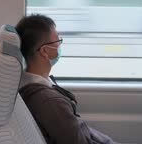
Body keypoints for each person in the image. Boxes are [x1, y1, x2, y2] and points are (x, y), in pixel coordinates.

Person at [16, 14, 116, 144]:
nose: (59, 44)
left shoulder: (35, 85)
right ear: (45, 51)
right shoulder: (48, 101)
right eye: (57, 40)